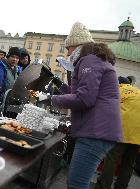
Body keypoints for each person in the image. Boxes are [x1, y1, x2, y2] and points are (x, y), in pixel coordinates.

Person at [45, 22, 123, 189]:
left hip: (96, 132)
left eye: (68, 48)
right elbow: (80, 92)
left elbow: (85, 99)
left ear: (76, 45)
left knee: (76, 183)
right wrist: (61, 86)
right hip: (100, 130)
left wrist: (51, 99)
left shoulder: (89, 60)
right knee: (81, 182)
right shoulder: (95, 60)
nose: (67, 52)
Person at [94, 76, 140, 189]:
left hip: (123, 131)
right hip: (138, 135)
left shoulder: (117, 89)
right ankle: (121, 187)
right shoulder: (137, 92)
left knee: (111, 159)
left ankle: (102, 186)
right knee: (128, 164)